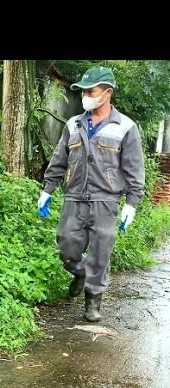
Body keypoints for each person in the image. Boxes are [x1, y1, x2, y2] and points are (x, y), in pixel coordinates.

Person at [37, 66, 145, 322]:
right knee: (66, 244)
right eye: (83, 90)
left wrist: (132, 203)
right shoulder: (73, 124)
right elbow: (59, 159)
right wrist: (48, 189)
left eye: (91, 90)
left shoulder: (125, 127)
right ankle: (80, 271)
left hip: (105, 201)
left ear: (107, 93)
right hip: (74, 197)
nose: (85, 95)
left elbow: (134, 168)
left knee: (100, 251)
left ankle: (93, 301)